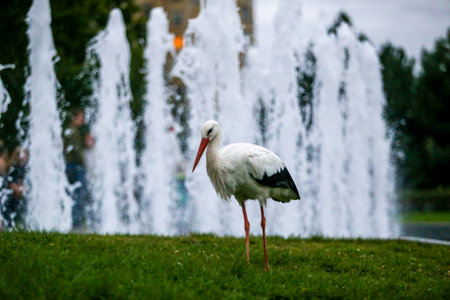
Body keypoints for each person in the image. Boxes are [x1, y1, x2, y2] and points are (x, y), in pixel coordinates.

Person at [63, 108, 94, 231]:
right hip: (74, 166)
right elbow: (75, 151)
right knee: (78, 195)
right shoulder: (72, 131)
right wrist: (83, 162)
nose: (83, 120)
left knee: (74, 194)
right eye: (81, 117)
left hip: (72, 165)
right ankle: (75, 223)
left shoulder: (71, 131)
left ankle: (73, 221)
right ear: (74, 118)